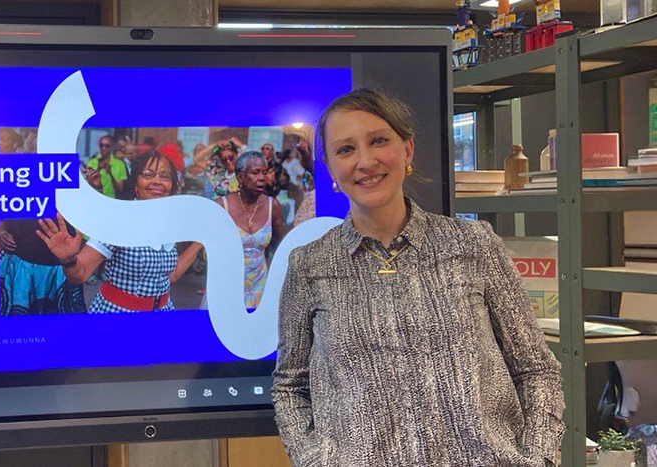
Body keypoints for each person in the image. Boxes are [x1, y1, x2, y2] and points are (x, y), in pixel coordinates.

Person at [271, 88, 563, 466]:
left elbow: (536, 369)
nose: (365, 161)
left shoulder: (474, 245)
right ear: (329, 168)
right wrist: (315, 460)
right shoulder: (310, 265)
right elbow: (290, 386)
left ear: (406, 150)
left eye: (378, 141)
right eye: (346, 150)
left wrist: (537, 458)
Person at [38, 153, 203, 312]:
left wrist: (200, 241)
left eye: (164, 176)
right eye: (148, 174)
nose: (157, 181)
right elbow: (80, 275)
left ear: (172, 185)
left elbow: (171, 276)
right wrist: (68, 260)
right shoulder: (119, 220)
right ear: (136, 184)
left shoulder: (169, 223)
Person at [214, 151, 286, 309]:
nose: (262, 178)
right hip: (226, 289)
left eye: (265, 172)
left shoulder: (272, 206)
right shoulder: (221, 206)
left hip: (260, 289)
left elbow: (280, 246)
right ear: (240, 177)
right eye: (255, 172)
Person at [0, 218, 87, 315]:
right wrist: (1, 232)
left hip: (59, 271)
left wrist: (73, 259)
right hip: (17, 269)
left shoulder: (73, 204)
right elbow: (3, 218)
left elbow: (86, 231)